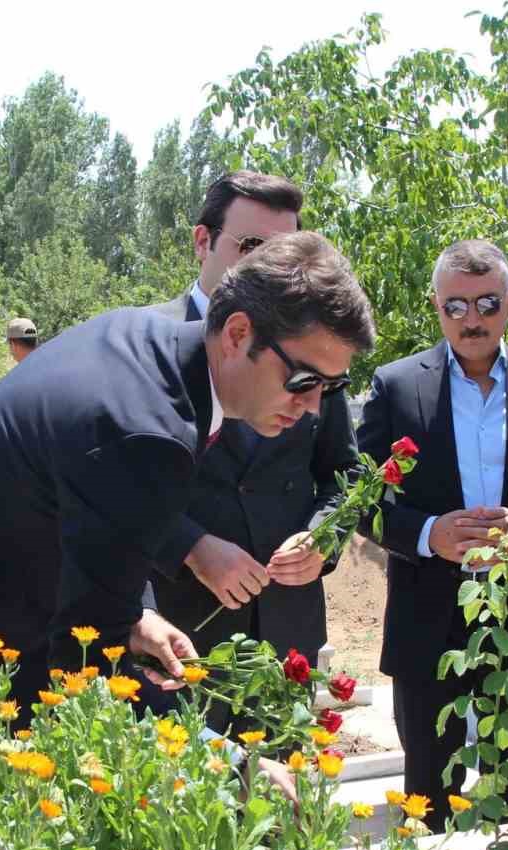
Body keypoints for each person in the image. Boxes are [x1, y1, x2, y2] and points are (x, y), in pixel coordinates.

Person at [0, 232, 373, 720]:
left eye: (331, 387)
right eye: (304, 380)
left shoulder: (150, 340)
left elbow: (85, 524)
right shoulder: (151, 434)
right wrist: (226, 763)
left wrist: (134, 617)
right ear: (237, 334)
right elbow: (88, 661)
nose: (311, 407)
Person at [356, 240, 508, 831]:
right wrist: (426, 534)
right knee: (427, 792)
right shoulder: (395, 387)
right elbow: (364, 499)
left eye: (488, 303)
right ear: (436, 306)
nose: (472, 320)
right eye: (456, 307)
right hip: (427, 620)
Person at [143, 172, 353, 712]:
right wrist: (190, 546)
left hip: (286, 630)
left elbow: (344, 474)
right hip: (179, 629)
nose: (266, 266)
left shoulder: (314, 350)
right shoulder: (149, 345)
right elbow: (112, 486)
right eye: (251, 246)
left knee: (278, 791)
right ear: (202, 242)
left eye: (282, 251)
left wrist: (321, 540)